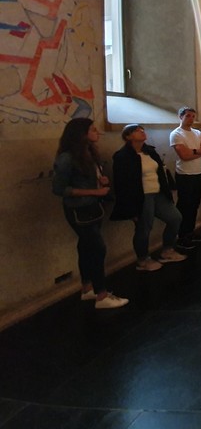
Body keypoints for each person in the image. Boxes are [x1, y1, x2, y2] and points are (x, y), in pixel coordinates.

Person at [52, 118, 128, 309]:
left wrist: (100, 181)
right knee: (97, 248)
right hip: (79, 209)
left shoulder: (89, 153)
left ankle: (87, 288)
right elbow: (60, 189)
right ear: (81, 134)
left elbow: (87, 178)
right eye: (93, 129)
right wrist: (94, 191)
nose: (97, 132)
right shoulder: (67, 158)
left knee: (86, 246)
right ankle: (102, 295)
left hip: (93, 207)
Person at [110, 124, 188, 272]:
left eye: (142, 129)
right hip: (141, 196)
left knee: (175, 218)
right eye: (137, 130)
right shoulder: (123, 156)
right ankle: (143, 259)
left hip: (157, 193)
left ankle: (167, 250)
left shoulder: (150, 152)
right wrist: (130, 208)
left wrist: (168, 190)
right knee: (144, 227)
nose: (142, 132)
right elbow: (121, 183)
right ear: (128, 136)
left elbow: (161, 172)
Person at [170, 106, 201, 248]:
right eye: (188, 116)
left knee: (194, 205)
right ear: (180, 117)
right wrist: (200, 151)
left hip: (198, 173)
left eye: (193, 116)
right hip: (184, 174)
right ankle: (181, 236)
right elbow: (184, 155)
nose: (191, 119)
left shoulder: (197, 133)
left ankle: (190, 232)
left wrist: (194, 151)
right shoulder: (176, 134)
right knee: (185, 206)